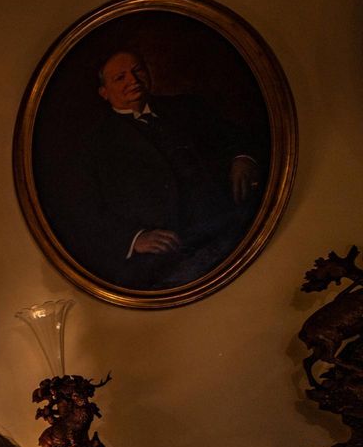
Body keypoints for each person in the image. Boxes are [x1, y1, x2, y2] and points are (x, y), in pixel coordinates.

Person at [59, 50, 264, 290]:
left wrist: (243, 157)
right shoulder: (95, 144)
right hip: (170, 255)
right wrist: (134, 239)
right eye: (120, 78)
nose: (133, 81)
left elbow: (236, 134)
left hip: (230, 226)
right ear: (104, 93)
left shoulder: (187, 107)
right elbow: (84, 211)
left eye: (137, 71)